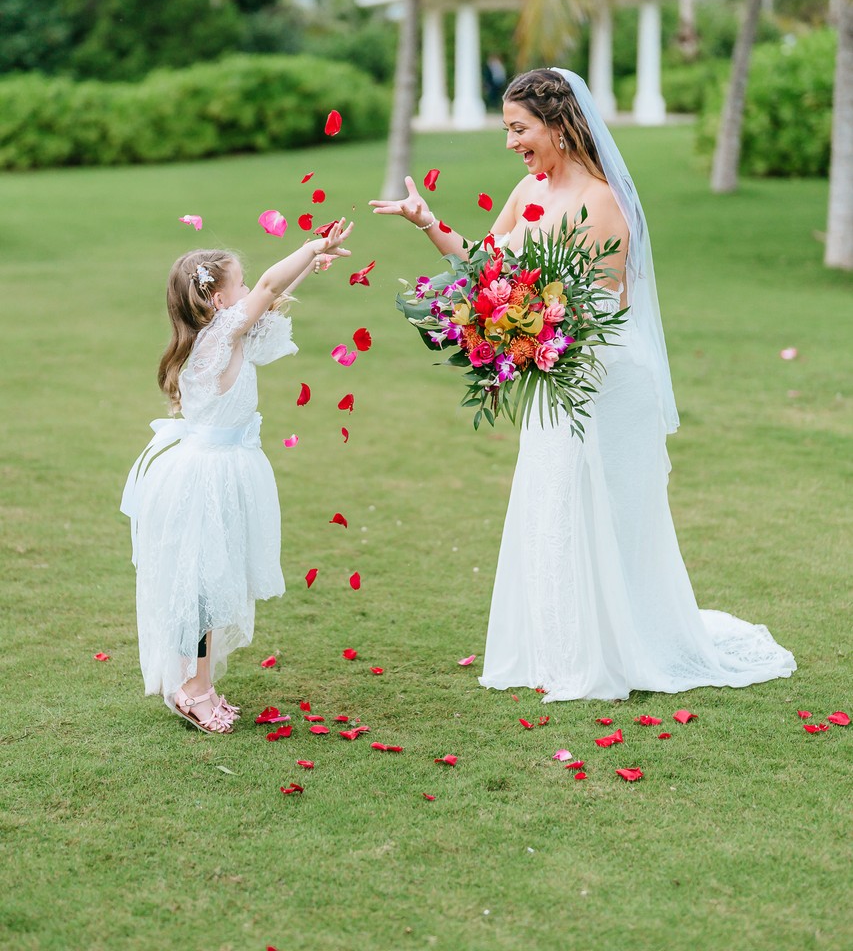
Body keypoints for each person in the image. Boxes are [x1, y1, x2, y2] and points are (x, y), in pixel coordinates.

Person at [370, 68, 795, 701]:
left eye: (520, 128)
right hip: (555, 373)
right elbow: (488, 266)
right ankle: (561, 648)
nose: (511, 142)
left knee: (604, 509)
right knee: (552, 501)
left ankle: (613, 650)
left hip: (603, 375)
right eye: (507, 129)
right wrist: (428, 223)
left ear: (560, 126)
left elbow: (588, 303)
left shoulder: (603, 201)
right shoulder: (528, 188)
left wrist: (519, 326)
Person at [121, 220, 353, 732]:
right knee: (202, 587)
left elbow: (270, 295)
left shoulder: (221, 333)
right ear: (219, 301)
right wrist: (312, 245)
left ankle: (197, 682)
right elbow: (269, 286)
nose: (250, 289)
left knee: (211, 581)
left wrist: (309, 264)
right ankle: (192, 690)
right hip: (207, 477)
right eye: (240, 284)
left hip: (220, 470)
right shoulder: (219, 338)